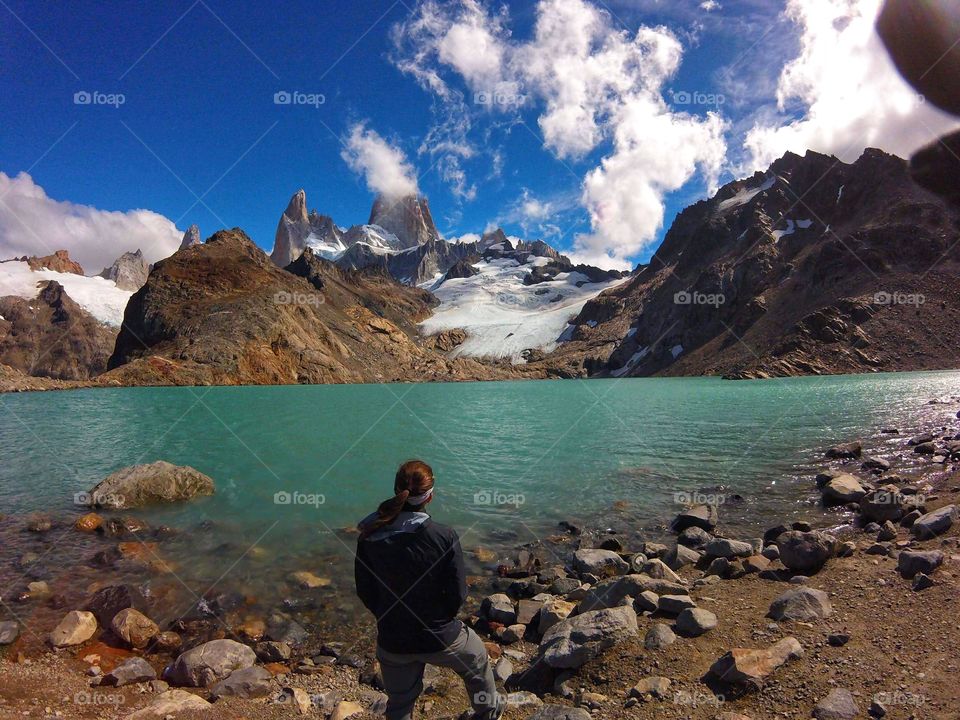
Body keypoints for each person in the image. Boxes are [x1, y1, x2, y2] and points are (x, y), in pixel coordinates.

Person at [355, 460, 505, 720]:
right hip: (440, 635)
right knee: (477, 660)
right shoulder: (444, 536)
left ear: (396, 490)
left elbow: (365, 591)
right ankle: (488, 713)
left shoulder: (369, 534)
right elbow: (458, 593)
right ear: (430, 495)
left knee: (400, 703)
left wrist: (387, 616)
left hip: (393, 640)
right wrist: (437, 620)